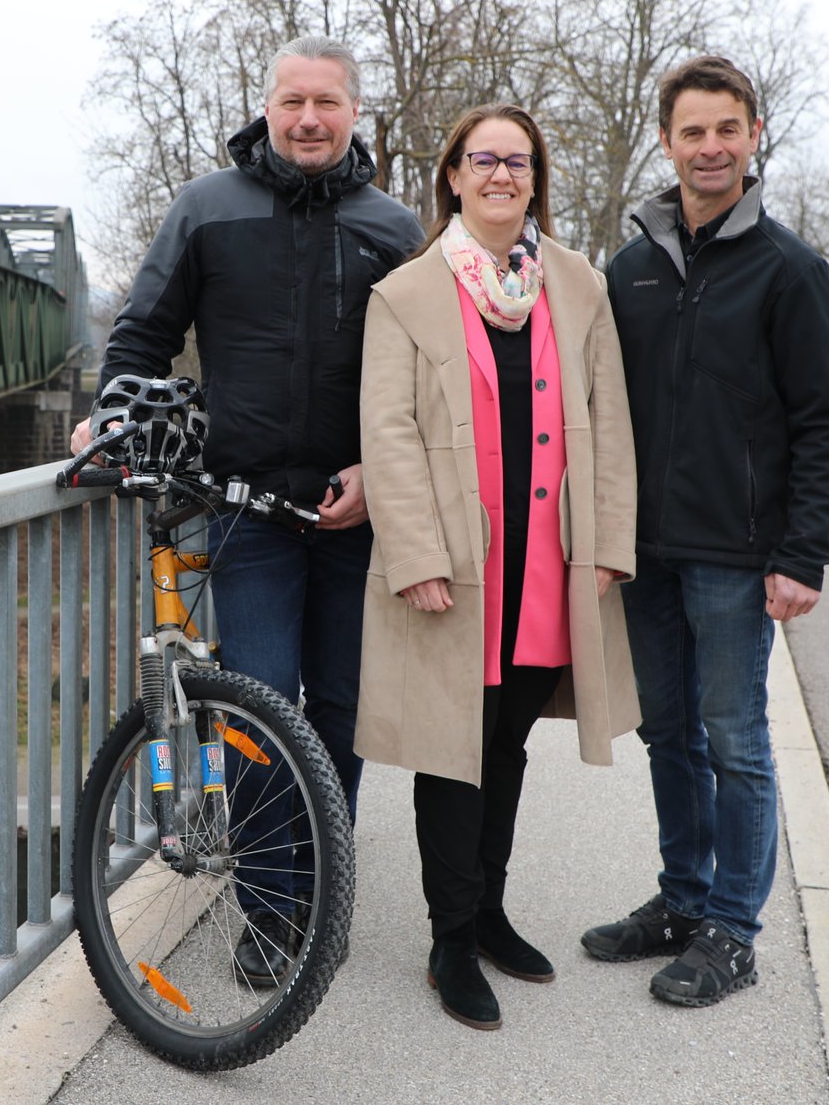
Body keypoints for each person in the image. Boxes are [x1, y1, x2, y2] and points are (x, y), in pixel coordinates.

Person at [73, 35, 422, 985]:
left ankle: (324, 881)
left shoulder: (393, 225)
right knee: (261, 711)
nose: (308, 118)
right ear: (265, 107)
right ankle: (273, 910)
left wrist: (378, 471)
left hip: (359, 512)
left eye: (327, 103)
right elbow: (143, 332)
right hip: (247, 510)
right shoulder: (207, 208)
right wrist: (111, 413)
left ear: (356, 113)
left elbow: (427, 375)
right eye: (291, 101)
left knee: (342, 713)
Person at [355, 103, 640, 1031]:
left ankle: (487, 914)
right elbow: (388, 435)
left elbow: (612, 423)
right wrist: (415, 556)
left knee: (507, 744)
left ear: (535, 177)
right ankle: (447, 938)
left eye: (517, 162)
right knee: (452, 749)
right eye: (483, 160)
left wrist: (607, 545)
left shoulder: (576, 286)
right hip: (457, 562)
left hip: (546, 560)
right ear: (452, 175)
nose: (500, 176)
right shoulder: (406, 292)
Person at [581, 55, 829, 1008]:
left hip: (738, 558)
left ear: (753, 137)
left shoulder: (790, 269)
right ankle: (684, 899)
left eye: (726, 130)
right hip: (646, 551)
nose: (709, 147)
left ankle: (733, 930)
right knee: (669, 734)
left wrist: (802, 552)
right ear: (667, 141)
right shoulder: (629, 270)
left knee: (735, 738)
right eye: (692, 131)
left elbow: (825, 420)